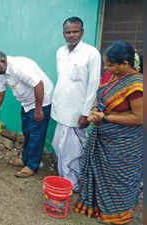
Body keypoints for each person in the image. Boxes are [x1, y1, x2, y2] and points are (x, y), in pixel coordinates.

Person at [74, 40, 143, 224]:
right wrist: (95, 111)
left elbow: (139, 117)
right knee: (100, 175)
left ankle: (117, 215)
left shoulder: (137, 85)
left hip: (124, 145)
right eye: (105, 64)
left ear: (125, 64)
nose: (106, 68)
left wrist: (104, 117)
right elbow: (101, 95)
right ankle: (98, 208)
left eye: (110, 65)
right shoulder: (113, 76)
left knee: (118, 181)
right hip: (103, 137)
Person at [50, 16, 101, 191]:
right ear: (63, 33)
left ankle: (74, 184)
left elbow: (93, 85)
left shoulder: (92, 53)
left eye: (75, 31)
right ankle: (64, 179)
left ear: (82, 32)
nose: (71, 35)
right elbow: (62, 81)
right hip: (60, 110)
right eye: (68, 32)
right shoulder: (60, 52)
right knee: (59, 146)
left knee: (74, 151)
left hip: (78, 113)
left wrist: (86, 113)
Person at [0, 50, 54, 178]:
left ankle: (32, 166)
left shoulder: (19, 67)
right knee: (27, 131)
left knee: (36, 134)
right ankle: (25, 158)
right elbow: (0, 94)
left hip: (41, 99)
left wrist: (39, 110)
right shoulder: (2, 71)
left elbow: (39, 85)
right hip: (27, 102)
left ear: (3, 61)